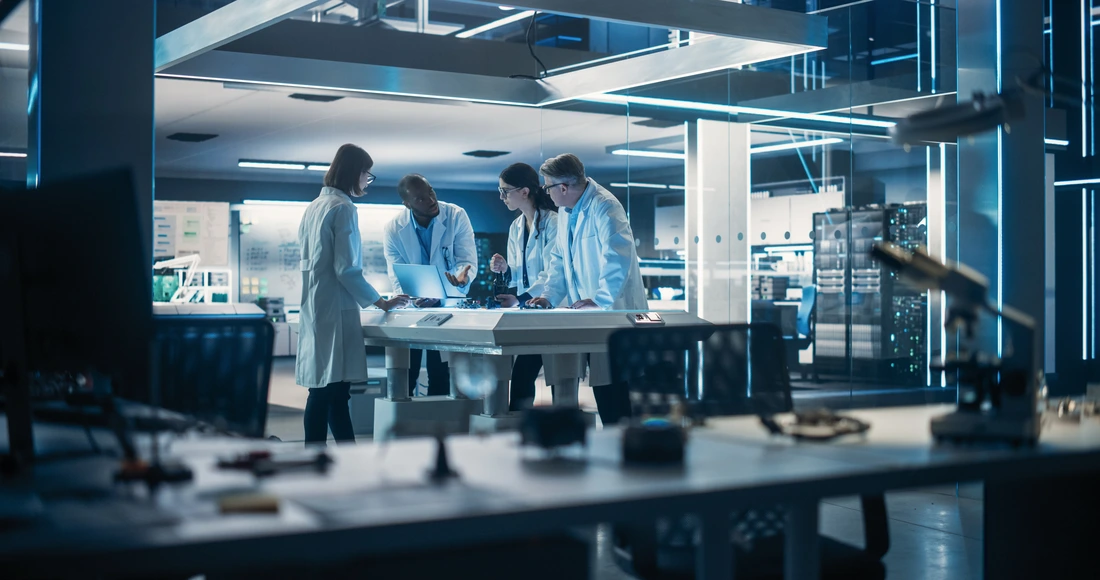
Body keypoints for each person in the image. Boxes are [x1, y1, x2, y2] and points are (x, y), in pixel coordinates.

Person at [297, 144, 410, 445]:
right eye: (367, 175)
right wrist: (381, 301)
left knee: (329, 389)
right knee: (328, 392)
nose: (367, 181)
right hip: (335, 309)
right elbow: (346, 269)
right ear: (356, 173)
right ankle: (323, 456)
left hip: (317, 306)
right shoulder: (343, 208)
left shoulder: (315, 206)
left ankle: (341, 453)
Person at [526, 153, 647, 427]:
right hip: (588, 316)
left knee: (613, 389)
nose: (546, 193)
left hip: (612, 312)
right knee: (598, 385)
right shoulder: (567, 213)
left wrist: (601, 300)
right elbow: (559, 259)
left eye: (547, 187)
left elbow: (617, 258)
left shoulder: (605, 207)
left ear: (563, 188)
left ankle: (623, 444)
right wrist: (549, 297)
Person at [384, 173, 477, 396]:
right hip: (413, 307)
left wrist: (461, 279)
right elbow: (397, 272)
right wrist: (413, 297)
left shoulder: (455, 215)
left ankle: (441, 427)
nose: (431, 200)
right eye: (421, 199)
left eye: (431, 192)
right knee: (406, 372)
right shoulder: (394, 228)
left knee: (441, 372)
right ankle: (406, 427)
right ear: (407, 204)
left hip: (447, 304)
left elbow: (465, 260)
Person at [489, 163, 559, 411]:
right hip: (531, 312)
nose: (501, 197)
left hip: (554, 310)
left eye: (505, 191)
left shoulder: (553, 223)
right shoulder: (516, 227)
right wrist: (505, 268)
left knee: (559, 379)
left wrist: (520, 298)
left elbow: (553, 273)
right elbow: (520, 274)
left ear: (525, 191)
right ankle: (521, 430)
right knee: (522, 379)